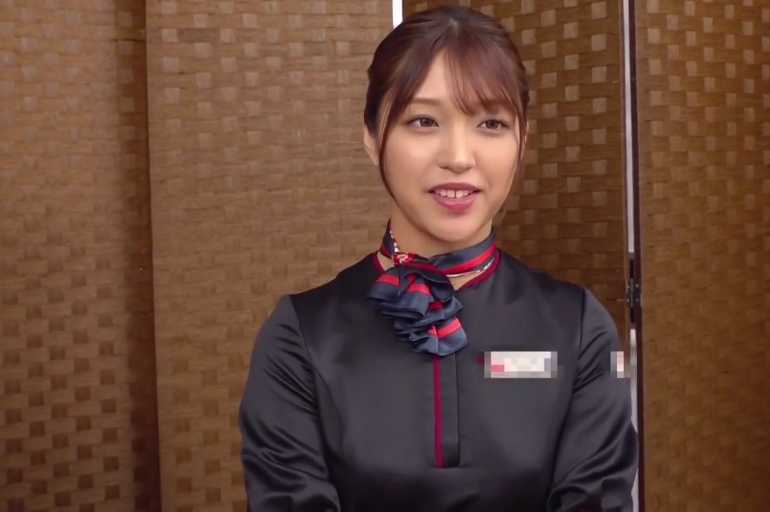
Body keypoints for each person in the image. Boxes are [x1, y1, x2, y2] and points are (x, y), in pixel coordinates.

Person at [238, 5, 639, 511]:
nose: (458, 156)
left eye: (491, 123)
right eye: (424, 121)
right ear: (372, 137)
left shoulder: (581, 329)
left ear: (522, 141)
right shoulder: (299, 335)